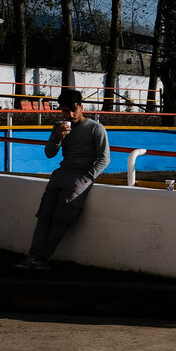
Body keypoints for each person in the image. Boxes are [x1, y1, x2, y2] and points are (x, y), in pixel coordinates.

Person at [13, 89, 110, 271]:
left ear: (82, 107)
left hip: (79, 180)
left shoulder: (96, 128)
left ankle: (41, 258)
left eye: (74, 110)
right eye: (66, 111)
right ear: (61, 111)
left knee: (61, 220)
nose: (71, 115)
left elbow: (104, 158)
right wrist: (58, 136)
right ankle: (33, 257)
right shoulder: (60, 126)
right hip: (60, 176)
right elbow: (49, 153)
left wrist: (86, 178)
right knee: (44, 216)